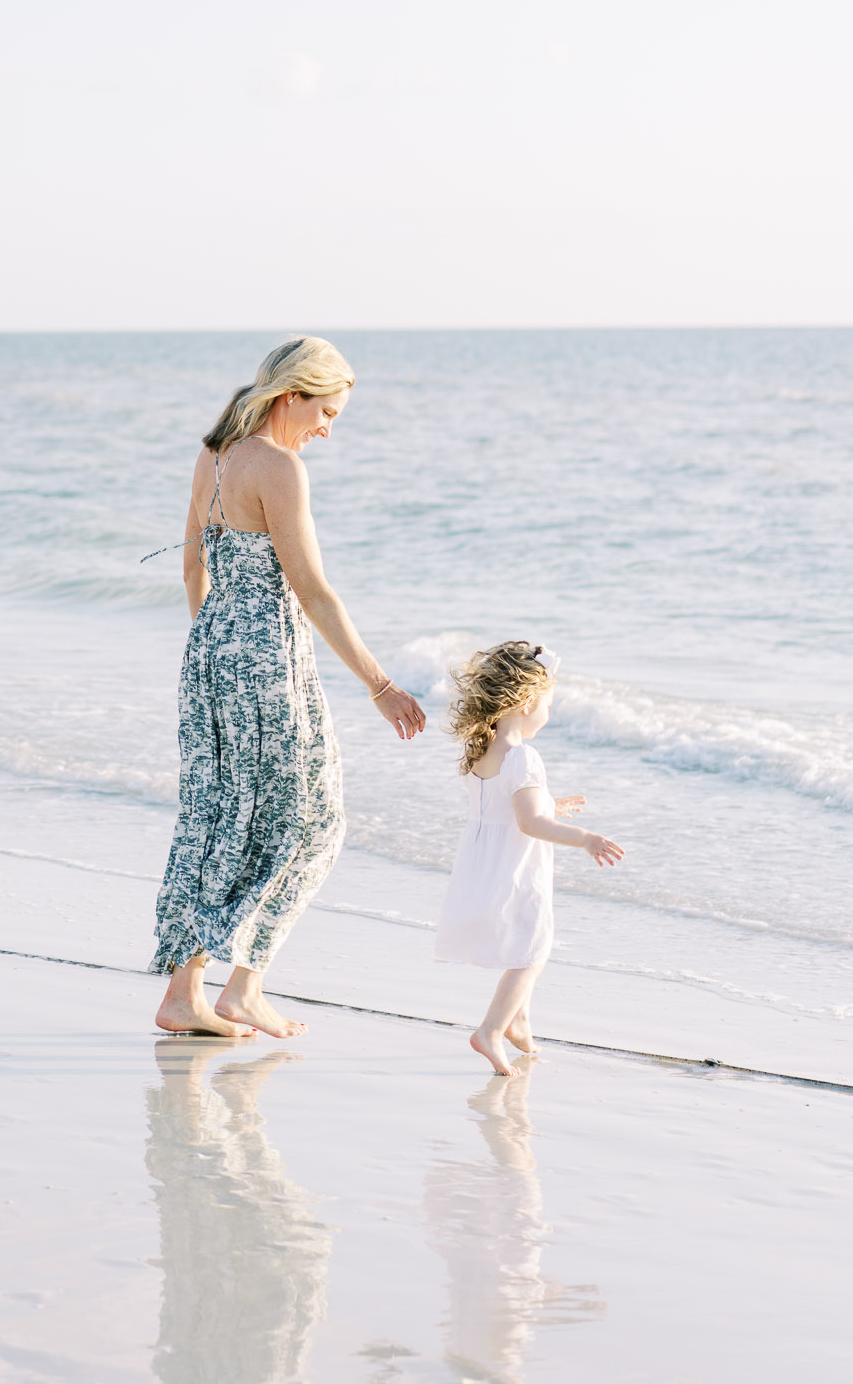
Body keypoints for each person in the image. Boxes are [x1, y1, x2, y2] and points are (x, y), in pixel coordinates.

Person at [151, 336, 427, 1042]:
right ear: (292, 396)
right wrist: (381, 685)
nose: (329, 427)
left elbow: (192, 563)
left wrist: (213, 646)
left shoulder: (213, 454)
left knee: (220, 819)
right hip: (270, 660)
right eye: (326, 411)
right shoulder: (278, 467)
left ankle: (195, 991)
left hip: (211, 654)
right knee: (313, 822)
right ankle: (241, 987)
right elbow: (313, 591)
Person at [435, 641, 625, 1074]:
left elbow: (506, 806)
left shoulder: (482, 750)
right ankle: (490, 1031)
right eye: (548, 706)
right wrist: (585, 838)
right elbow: (529, 824)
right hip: (517, 870)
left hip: (485, 865)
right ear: (524, 703)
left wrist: (549, 804)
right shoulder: (525, 756)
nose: (549, 715)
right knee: (532, 953)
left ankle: (519, 1022)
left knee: (525, 946)